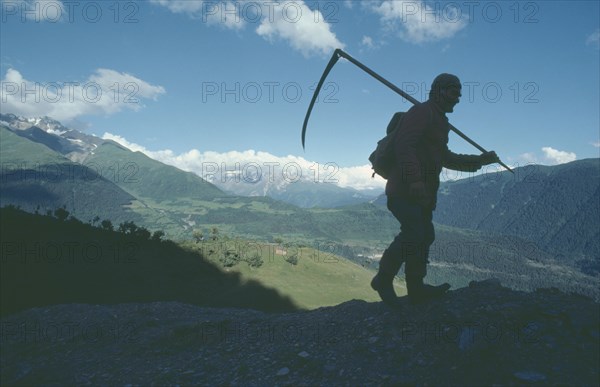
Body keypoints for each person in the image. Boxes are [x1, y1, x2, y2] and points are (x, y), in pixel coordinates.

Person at [371, 73, 500, 305]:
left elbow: (446, 158)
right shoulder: (422, 112)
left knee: (423, 235)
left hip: (422, 195)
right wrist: (415, 180)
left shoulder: (440, 121)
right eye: (453, 92)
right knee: (415, 234)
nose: (457, 99)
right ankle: (383, 279)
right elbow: (404, 145)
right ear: (439, 90)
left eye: (459, 94)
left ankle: (415, 289)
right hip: (405, 190)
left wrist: (481, 161)